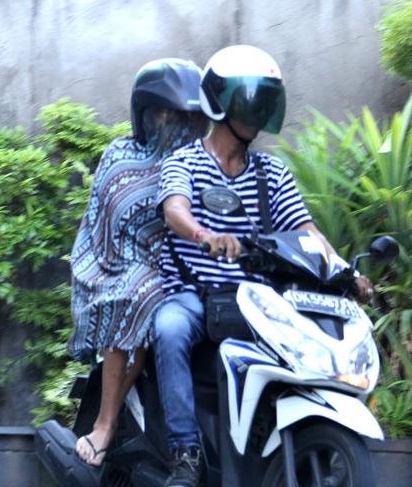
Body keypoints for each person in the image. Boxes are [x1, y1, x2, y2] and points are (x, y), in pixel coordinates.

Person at [153, 45, 373, 487]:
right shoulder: (185, 163)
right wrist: (205, 236)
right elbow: (174, 209)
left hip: (258, 301)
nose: (256, 111)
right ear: (219, 101)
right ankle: (186, 452)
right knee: (170, 330)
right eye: (248, 100)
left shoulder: (271, 173)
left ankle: (279, 439)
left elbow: (308, 233)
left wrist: (348, 273)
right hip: (195, 293)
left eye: (262, 101)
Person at [68, 58, 207, 467]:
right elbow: (106, 223)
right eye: (169, 115)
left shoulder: (198, 161)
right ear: (146, 113)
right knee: (137, 294)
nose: (179, 126)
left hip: (183, 267)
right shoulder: (120, 154)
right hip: (113, 262)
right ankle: (106, 423)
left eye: (189, 118)